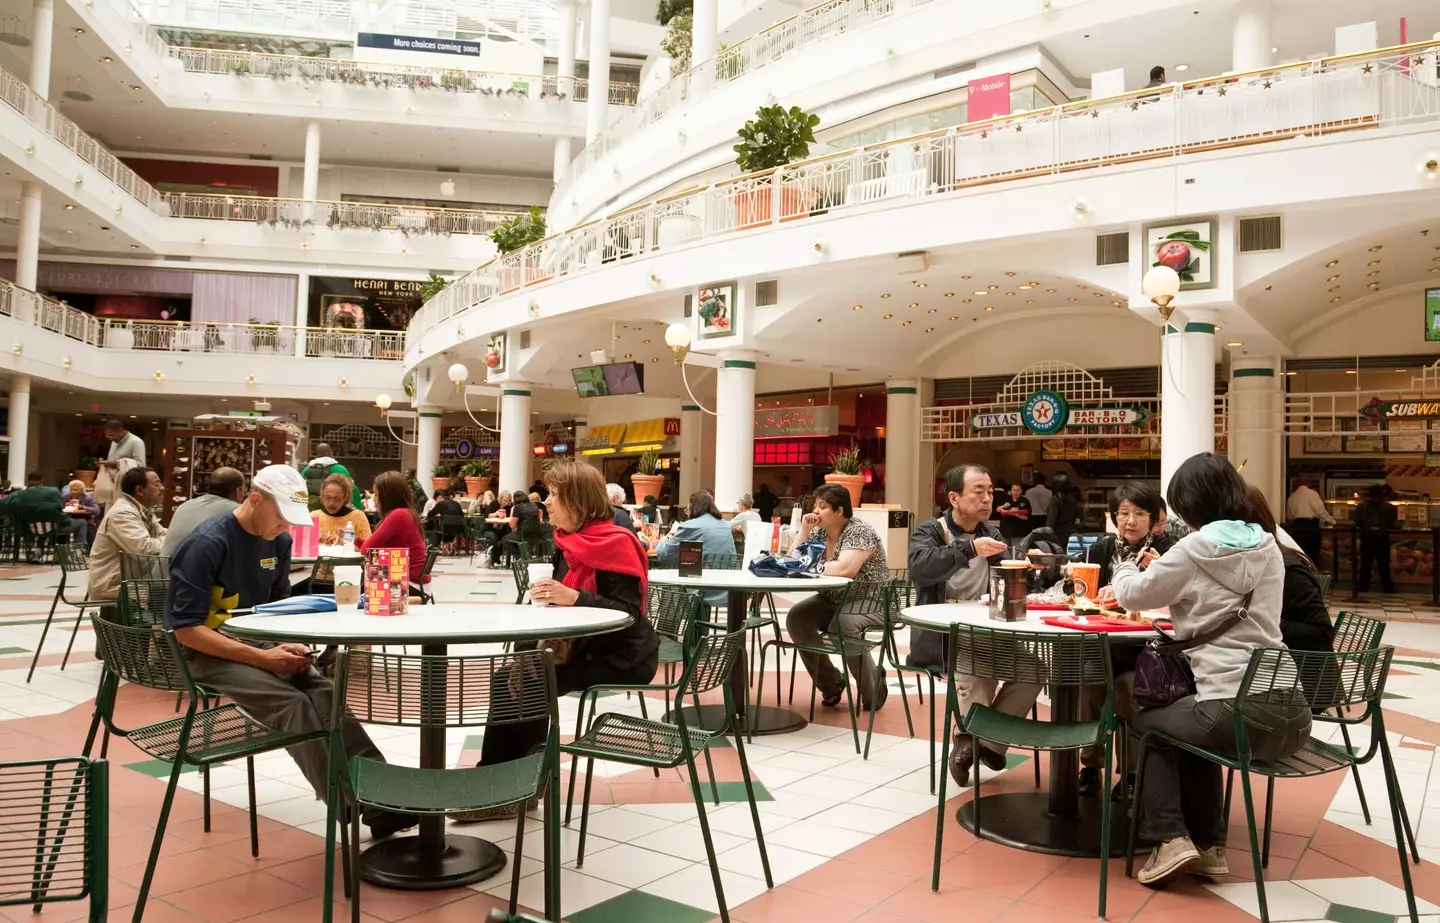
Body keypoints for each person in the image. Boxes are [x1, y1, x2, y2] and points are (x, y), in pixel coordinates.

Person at [164, 464, 417, 839]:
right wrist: (263, 658)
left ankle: (384, 792)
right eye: (281, 516)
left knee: (326, 693)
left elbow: (275, 608)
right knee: (293, 704)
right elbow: (186, 630)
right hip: (207, 652)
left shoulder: (278, 543)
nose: (285, 528)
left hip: (257, 642)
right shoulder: (208, 543)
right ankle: (357, 804)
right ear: (254, 499)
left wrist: (285, 643)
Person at [1112, 453, 1309, 886]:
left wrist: (1124, 560)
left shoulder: (1193, 549)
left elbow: (1131, 595)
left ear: (1188, 504)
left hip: (1236, 709)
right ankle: (1208, 847)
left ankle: (1168, 839)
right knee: (1188, 724)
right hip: (1293, 711)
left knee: (1147, 724)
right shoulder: (1268, 545)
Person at [452, 462, 656, 822]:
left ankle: (514, 789)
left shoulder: (615, 543)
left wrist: (574, 598)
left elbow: (627, 616)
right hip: (584, 646)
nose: (547, 502)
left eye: (555, 495)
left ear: (578, 500)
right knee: (516, 675)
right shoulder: (570, 540)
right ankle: (507, 783)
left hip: (624, 655)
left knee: (527, 683)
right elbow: (566, 600)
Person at [908, 464, 1027, 785]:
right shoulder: (930, 531)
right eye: (978, 492)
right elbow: (921, 569)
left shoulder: (992, 532)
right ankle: (974, 739)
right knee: (976, 674)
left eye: (990, 492)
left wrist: (1025, 570)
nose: (987, 499)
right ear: (954, 498)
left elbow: (1006, 577)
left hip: (991, 628)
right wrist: (969, 548)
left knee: (1035, 669)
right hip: (948, 634)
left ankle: (982, 742)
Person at [1072, 483, 1176, 801]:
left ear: (1154, 519)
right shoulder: (1101, 550)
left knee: (1130, 691)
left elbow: (1177, 601)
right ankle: (1090, 766)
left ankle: (1131, 774)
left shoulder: (1169, 551)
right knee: (1087, 686)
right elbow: (1075, 588)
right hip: (1102, 646)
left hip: (1144, 652)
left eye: (1139, 514)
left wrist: (1159, 573)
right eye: (1123, 513)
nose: (1130, 521)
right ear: (1114, 516)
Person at [789, 484, 891, 711]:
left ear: (840, 511)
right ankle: (831, 683)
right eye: (815, 505)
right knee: (797, 619)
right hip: (834, 599)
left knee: (842, 624)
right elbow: (793, 561)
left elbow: (846, 569)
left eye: (822, 507)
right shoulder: (818, 532)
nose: (815, 511)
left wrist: (811, 566)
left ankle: (873, 686)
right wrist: (804, 531)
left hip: (871, 599)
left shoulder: (859, 531)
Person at [1247, 485, 1334, 653]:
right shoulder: (1245, 566)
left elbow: (1323, 633)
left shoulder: (1287, 569)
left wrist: (1263, 622)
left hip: (1298, 673)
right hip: (1266, 664)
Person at [88, 467, 167, 606]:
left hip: (133, 579)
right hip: (113, 585)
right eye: (157, 484)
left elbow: (164, 535)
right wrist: (173, 541)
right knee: (175, 592)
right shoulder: (122, 513)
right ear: (139, 490)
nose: (162, 488)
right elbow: (144, 548)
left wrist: (171, 539)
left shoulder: (142, 510)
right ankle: (157, 628)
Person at [654, 492, 738, 610]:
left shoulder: (691, 526)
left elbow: (665, 555)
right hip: (729, 589)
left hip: (703, 590)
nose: (687, 514)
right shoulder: (725, 525)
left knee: (671, 586)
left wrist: (663, 540)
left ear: (694, 508)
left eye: (687, 510)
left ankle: (666, 628)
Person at [358, 471, 430, 586]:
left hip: (408, 584)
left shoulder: (399, 515)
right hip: (409, 579)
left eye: (376, 495)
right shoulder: (405, 513)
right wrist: (352, 539)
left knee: (353, 586)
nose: (374, 499)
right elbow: (370, 548)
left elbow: (366, 550)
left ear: (387, 496)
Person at [163, 468, 246, 555]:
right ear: (239, 491)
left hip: (162, 566)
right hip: (194, 566)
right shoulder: (238, 511)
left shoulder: (185, 505)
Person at [0, 473, 84, 551]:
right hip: (51, 528)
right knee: (81, 522)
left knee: (43, 523)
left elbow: (3, 506)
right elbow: (61, 507)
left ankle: (37, 550)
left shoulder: (18, 495)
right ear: (42, 480)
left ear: (28, 481)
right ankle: (78, 553)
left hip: (27, 529)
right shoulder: (52, 491)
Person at [1354, 483, 1398, 594]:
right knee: (1384, 564)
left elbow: (1357, 523)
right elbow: (1392, 524)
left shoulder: (1361, 506)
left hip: (1366, 538)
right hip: (1382, 538)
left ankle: (1363, 586)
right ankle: (1387, 587)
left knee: (1365, 564)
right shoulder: (1389, 507)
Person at [1285, 476, 1333, 563]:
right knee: (1312, 557)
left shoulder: (1291, 498)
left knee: (1301, 557)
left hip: (1297, 530)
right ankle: (1313, 574)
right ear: (1308, 483)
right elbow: (1320, 511)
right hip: (1311, 529)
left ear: (1297, 484)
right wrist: (1333, 521)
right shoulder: (1312, 494)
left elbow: (1289, 517)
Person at [300, 443, 360, 510]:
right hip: (332, 510)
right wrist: (359, 506)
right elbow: (351, 488)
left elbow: (300, 489)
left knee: (315, 520)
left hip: (311, 510)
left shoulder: (307, 469)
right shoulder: (339, 468)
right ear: (329, 452)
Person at [492, 487, 543, 566]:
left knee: (505, 539)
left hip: (523, 535)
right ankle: (525, 558)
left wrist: (513, 511)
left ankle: (520, 558)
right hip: (536, 535)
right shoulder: (534, 505)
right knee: (514, 539)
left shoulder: (517, 507)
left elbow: (512, 525)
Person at [1046, 472, 1081, 549]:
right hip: (1072, 536)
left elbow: (1051, 522)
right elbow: (1076, 518)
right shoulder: (1073, 500)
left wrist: (1046, 537)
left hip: (1058, 538)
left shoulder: (1055, 500)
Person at [62, 480, 100, 547]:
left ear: (82, 490)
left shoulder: (88, 497)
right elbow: (59, 507)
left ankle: (85, 548)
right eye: (71, 489)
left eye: (76, 490)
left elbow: (97, 511)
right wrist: (65, 505)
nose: (73, 491)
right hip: (70, 519)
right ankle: (63, 548)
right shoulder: (66, 496)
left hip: (86, 519)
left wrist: (82, 507)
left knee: (87, 526)